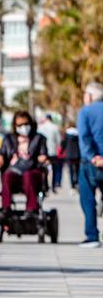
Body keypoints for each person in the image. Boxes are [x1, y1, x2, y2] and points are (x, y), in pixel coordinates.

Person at [0, 111, 49, 215]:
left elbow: (43, 154)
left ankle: (31, 209)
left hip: (32, 170)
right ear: (15, 126)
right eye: (20, 125)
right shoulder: (8, 139)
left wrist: (42, 158)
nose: (23, 127)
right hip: (14, 171)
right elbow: (2, 153)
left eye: (26, 124)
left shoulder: (39, 138)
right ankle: (6, 209)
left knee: (28, 176)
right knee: (7, 176)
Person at [76, 82, 103, 247]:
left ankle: (92, 236)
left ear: (91, 96)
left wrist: (93, 157)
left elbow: (84, 137)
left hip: (91, 163)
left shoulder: (85, 112)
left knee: (87, 199)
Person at [38, 114, 62, 192]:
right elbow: (59, 140)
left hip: (42, 151)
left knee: (43, 168)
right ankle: (53, 185)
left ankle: (44, 185)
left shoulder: (40, 127)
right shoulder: (55, 127)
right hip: (52, 151)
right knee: (54, 168)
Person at [63, 126, 81, 194]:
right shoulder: (78, 134)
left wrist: (62, 150)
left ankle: (72, 186)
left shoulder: (67, 134)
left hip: (69, 155)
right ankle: (77, 183)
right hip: (77, 155)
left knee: (70, 171)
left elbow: (63, 144)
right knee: (77, 170)